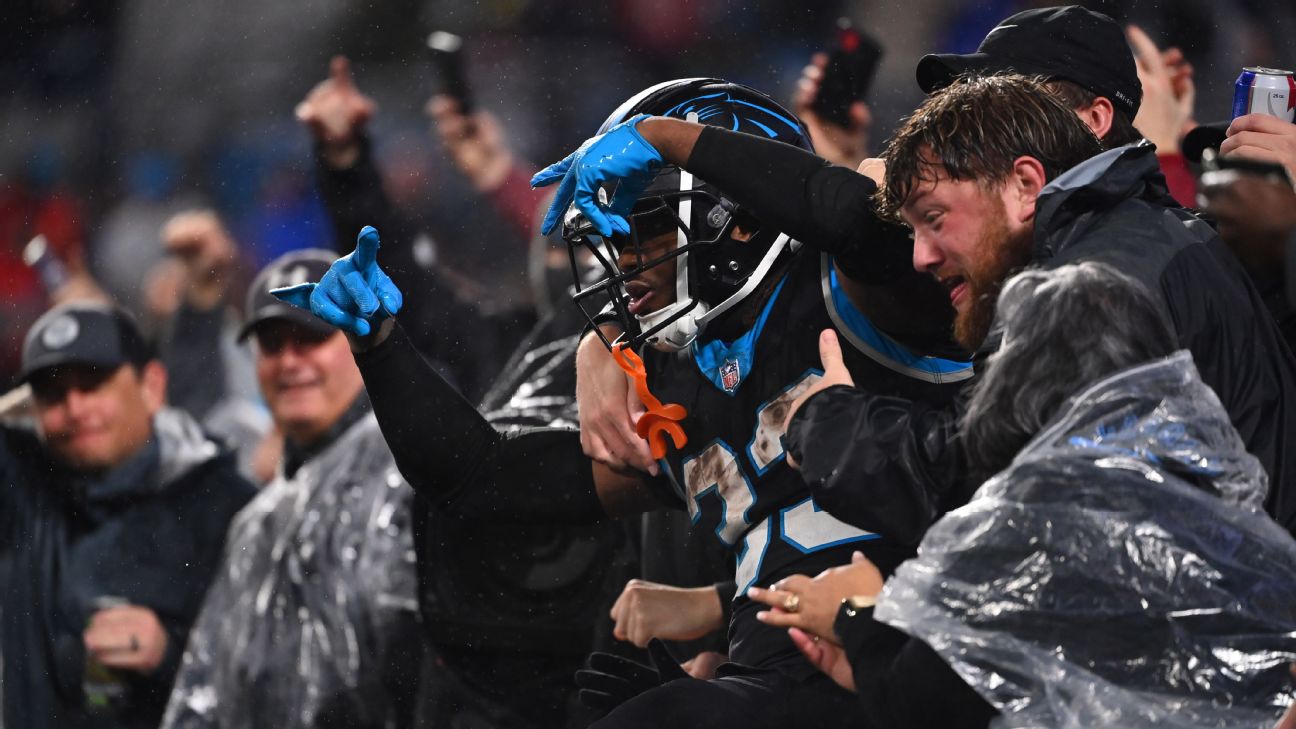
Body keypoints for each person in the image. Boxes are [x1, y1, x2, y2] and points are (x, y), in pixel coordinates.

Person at [273, 78, 970, 729]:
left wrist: (667, 139)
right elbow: (483, 483)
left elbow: (858, 218)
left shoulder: (859, 293)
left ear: (743, 221)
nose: (623, 256)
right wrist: (382, 346)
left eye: (649, 222)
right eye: (617, 233)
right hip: (781, 680)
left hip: (922, 660)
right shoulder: (674, 386)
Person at [751, 262, 1296, 729]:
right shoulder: (1238, 530)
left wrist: (857, 609)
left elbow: (924, 701)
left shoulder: (1034, 531)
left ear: (1017, 384)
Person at [160, 250, 424, 729]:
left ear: (355, 340)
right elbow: (205, 691)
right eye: (272, 344)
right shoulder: (258, 518)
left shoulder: (412, 470)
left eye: (310, 338)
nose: (289, 361)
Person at [0, 301, 255, 728]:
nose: (75, 409)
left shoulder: (228, 507)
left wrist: (169, 654)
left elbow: (272, 676)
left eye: (93, 384)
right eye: (53, 394)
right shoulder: (25, 487)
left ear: (151, 386)